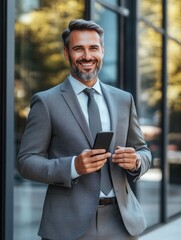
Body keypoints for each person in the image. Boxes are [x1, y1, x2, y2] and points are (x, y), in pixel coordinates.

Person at [17, 19, 152, 240]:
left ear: (102, 51)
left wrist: (137, 160)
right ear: (66, 53)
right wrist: (73, 166)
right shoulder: (46, 102)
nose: (87, 56)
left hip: (123, 223)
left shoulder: (123, 99)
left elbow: (144, 151)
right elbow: (26, 162)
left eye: (93, 48)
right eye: (78, 49)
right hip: (67, 225)